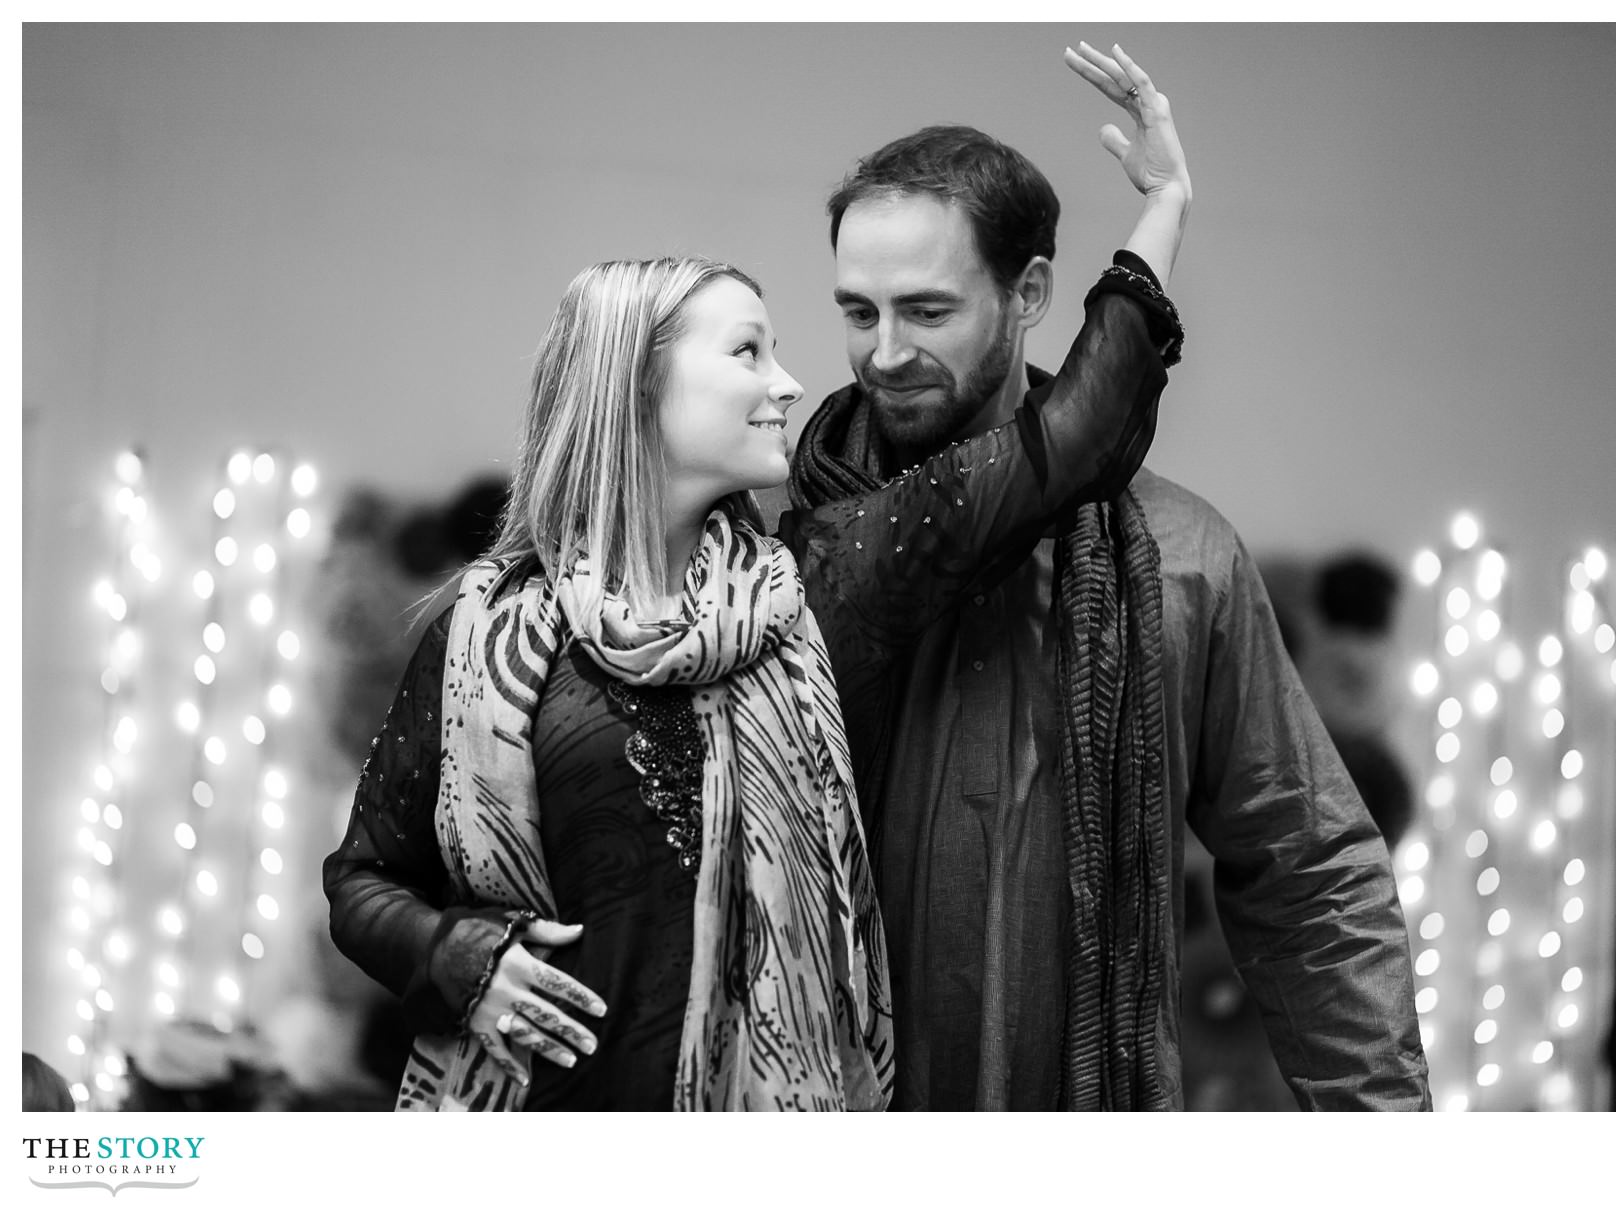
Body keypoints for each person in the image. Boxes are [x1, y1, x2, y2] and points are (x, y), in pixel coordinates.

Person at [322, 41, 1189, 1111]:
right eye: (747, 352)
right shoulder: (488, 632)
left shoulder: (820, 586)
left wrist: (1160, 212)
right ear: (635, 390)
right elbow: (362, 882)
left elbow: (1069, 437)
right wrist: (465, 960)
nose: (796, 380)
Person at [786, 41, 1432, 1110]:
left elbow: (1308, 870)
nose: (883, 352)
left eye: (927, 311)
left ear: (1030, 291)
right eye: (859, 312)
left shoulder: (1182, 558)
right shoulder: (771, 551)